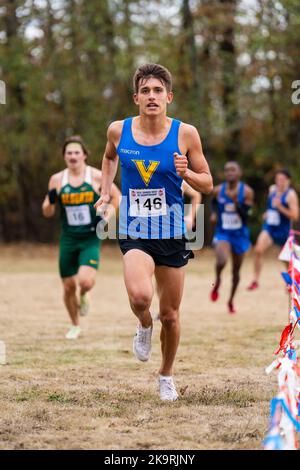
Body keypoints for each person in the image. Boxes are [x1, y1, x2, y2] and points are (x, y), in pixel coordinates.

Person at [95, 63, 212, 401]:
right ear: (136, 98)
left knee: (172, 316)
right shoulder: (118, 131)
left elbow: (208, 182)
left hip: (172, 232)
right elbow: (108, 158)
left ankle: (166, 375)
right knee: (141, 298)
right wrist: (105, 190)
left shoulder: (185, 134)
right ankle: (144, 324)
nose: (151, 96)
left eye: (157, 90)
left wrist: (187, 172)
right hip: (135, 230)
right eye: (145, 91)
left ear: (169, 97)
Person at [42, 135, 120, 339]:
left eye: (77, 152)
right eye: (69, 153)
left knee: (84, 282)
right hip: (68, 238)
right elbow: (47, 212)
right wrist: (50, 202)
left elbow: (117, 196)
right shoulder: (57, 180)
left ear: (84, 155)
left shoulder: (95, 176)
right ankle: (75, 325)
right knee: (68, 286)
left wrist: (107, 215)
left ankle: (84, 294)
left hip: (90, 237)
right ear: (64, 157)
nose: (73, 156)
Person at [210, 161, 254, 314]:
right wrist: (214, 213)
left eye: (233, 170)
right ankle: (218, 281)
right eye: (227, 170)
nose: (229, 173)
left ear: (239, 173)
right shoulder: (218, 190)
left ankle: (230, 301)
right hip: (223, 232)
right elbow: (213, 203)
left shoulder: (246, 192)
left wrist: (237, 203)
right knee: (221, 260)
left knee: (236, 271)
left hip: (240, 234)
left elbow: (247, 216)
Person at [247, 169, 299, 291]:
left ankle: (290, 284)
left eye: (282, 180)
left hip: (284, 231)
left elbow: (295, 215)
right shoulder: (272, 190)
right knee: (258, 250)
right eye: (277, 179)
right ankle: (255, 280)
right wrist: (267, 213)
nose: (279, 182)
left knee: (286, 260)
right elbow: (271, 207)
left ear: (288, 181)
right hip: (270, 228)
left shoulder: (290, 195)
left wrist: (280, 207)